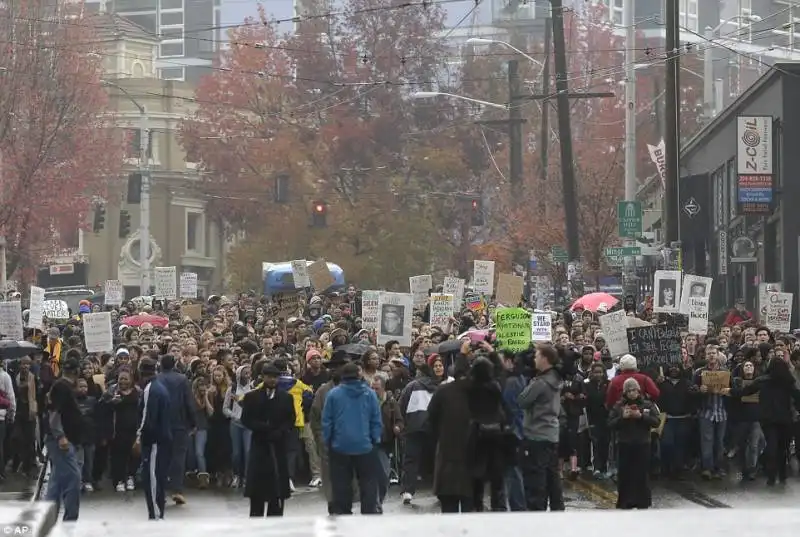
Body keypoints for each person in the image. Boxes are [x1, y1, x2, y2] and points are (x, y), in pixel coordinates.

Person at [322, 362, 382, 515]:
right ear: (359, 375)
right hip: (365, 445)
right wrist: (375, 439)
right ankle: (368, 513)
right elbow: (376, 419)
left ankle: (343, 514)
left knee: (341, 483)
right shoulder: (370, 394)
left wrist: (327, 440)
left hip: (340, 446)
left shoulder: (334, 394)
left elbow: (327, 421)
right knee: (368, 482)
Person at [241, 363, 296, 517]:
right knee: (258, 491)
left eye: (275, 377)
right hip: (260, 445)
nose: (272, 380)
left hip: (278, 446)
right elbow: (246, 419)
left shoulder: (286, 397)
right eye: (269, 377)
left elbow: (290, 419)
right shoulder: (252, 397)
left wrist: (280, 431)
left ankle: (276, 517)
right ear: (263, 377)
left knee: (277, 491)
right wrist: (262, 427)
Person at [517, 344, 565, 511]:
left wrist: (531, 381)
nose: (534, 359)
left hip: (536, 435)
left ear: (545, 359)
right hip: (551, 434)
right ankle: (558, 510)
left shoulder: (541, 383)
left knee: (536, 480)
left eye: (537, 356)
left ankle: (537, 514)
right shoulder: (556, 379)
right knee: (553, 479)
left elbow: (522, 400)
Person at [608, 377, 660, 509]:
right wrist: (622, 418)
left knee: (641, 473)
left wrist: (641, 416)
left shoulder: (647, 404)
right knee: (625, 474)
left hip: (642, 443)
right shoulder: (619, 405)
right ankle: (625, 501)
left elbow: (656, 421)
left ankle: (643, 501)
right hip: (625, 443)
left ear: (638, 390)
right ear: (625, 392)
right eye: (629, 390)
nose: (632, 393)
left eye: (634, 390)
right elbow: (610, 424)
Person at [45, 357, 83, 522]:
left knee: (57, 480)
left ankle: (46, 515)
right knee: (73, 478)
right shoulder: (62, 386)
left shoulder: (63, 386)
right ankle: (70, 518)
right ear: (77, 371)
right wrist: (60, 436)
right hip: (61, 441)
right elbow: (54, 413)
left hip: (65, 439)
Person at [136, 358, 172, 520]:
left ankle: (156, 514)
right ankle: (157, 512)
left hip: (154, 441)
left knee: (152, 478)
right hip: (162, 439)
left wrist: (138, 437)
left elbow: (146, 418)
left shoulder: (150, 389)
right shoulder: (160, 388)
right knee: (158, 476)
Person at [156, 354, 195, 505]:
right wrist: (192, 422)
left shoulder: (156, 379)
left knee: (161, 457)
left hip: (161, 424)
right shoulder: (182, 379)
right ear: (174, 364)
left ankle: (160, 491)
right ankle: (177, 490)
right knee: (179, 457)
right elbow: (188, 402)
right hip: (179, 424)